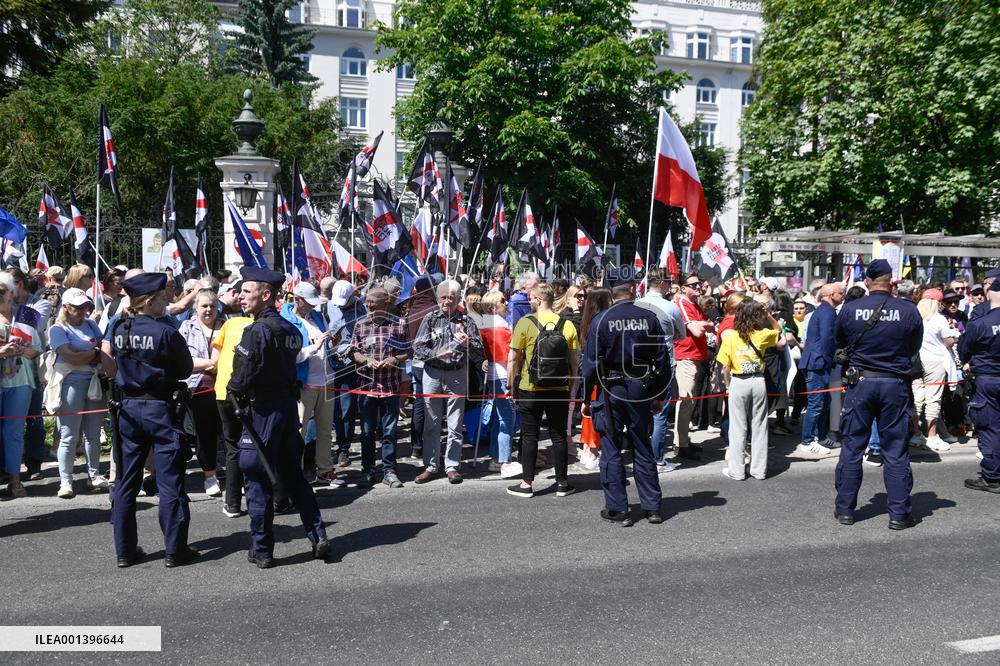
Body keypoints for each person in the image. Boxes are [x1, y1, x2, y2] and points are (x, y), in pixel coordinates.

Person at [227, 267, 329, 569]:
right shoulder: (290, 329)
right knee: (294, 477)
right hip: (286, 409)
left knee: (256, 478)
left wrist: (235, 391)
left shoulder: (257, 331)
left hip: (263, 412)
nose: (241, 296)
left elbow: (242, 375)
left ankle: (262, 549)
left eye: (247, 291)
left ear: (266, 295)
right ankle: (318, 535)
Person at [108, 272, 199, 568]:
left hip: (128, 409)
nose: (167, 301)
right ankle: (175, 549)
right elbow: (185, 369)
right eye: (162, 297)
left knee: (126, 482)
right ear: (149, 301)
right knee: (170, 482)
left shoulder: (120, 328)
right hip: (160, 409)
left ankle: (124, 550)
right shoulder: (165, 332)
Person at [833, 259, 923, 530]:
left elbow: (839, 344)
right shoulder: (908, 311)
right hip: (894, 384)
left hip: (860, 383)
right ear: (891, 281)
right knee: (895, 450)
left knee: (852, 447)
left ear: (869, 282)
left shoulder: (850, 309)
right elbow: (913, 347)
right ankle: (898, 514)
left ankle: (845, 509)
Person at [581, 275, 671, 525]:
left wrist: (586, 397)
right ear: (632, 289)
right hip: (640, 388)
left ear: (611, 292)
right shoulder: (649, 317)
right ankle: (652, 507)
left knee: (610, 447)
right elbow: (662, 360)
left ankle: (618, 508)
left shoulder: (601, 320)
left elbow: (590, 365)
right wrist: (659, 395)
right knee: (642, 445)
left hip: (611, 389)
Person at [506, 283, 579, 498]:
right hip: (559, 387)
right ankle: (563, 483)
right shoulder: (567, 325)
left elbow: (512, 359)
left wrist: (510, 385)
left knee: (530, 435)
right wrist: (571, 386)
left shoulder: (525, 323)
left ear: (538, 299)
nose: (529, 301)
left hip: (531, 387)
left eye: (531, 298)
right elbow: (574, 363)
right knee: (559, 435)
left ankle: (527, 484)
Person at [412, 279, 485, 484]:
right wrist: (437, 353)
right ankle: (431, 465)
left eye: (451, 298)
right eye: (443, 297)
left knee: (455, 423)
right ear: (437, 298)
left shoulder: (466, 320)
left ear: (458, 299)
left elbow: (480, 351)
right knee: (432, 422)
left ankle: (452, 466)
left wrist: (468, 343)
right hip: (433, 374)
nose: (447, 302)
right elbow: (418, 348)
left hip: (456, 374)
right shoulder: (430, 318)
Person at [46, 288, 110, 498]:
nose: (83, 310)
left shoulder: (91, 324)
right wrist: (93, 353)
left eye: (85, 306)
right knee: (69, 435)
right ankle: (66, 481)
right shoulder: (57, 329)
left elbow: (103, 350)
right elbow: (70, 357)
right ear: (65, 307)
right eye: (77, 307)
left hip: (93, 381)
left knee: (93, 433)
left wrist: (90, 354)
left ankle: (94, 475)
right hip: (70, 383)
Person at [280, 281, 341, 487]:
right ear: (296, 299)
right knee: (299, 431)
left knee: (325, 429)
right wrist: (314, 347)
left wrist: (334, 342)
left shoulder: (316, 316)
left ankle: (325, 470)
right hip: (304, 383)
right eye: (308, 303)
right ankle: (294, 473)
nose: (312, 306)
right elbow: (290, 356)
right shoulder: (286, 320)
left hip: (325, 380)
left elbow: (327, 348)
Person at [718, 299, 785, 480]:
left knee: (738, 427)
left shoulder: (731, 336)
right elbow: (781, 335)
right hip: (758, 381)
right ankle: (758, 470)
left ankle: (737, 471)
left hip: (738, 382)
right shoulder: (762, 334)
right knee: (759, 426)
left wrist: (727, 385)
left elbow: (725, 367)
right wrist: (769, 316)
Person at [350, 287, 410, 488]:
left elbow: (407, 351)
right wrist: (366, 360)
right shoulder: (361, 324)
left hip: (390, 387)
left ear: (386, 304)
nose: (368, 307)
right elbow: (354, 351)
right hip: (367, 387)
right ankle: (368, 469)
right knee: (366, 432)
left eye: (372, 305)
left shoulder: (399, 324)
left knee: (389, 431)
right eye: (367, 304)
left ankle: (389, 470)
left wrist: (394, 358)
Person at [635, 267, 687, 467]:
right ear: (663, 284)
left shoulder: (637, 304)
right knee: (659, 414)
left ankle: (643, 456)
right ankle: (656, 459)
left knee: (641, 411)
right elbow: (681, 335)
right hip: (663, 364)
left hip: (639, 365)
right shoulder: (671, 307)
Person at [210, 296, 256, 516]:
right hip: (251, 393)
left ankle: (233, 503)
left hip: (225, 391)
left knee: (232, 448)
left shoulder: (229, 324)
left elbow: (214, 361)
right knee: (256, 444)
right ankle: (267, 499)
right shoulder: (264, 327)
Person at [178, 288, 224, 497]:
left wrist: (206, 364)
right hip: (198, 388)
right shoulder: (186, 327)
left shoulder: (225, 326)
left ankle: (232, 474)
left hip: (223, 386)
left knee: (226, 433)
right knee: (204, 434)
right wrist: (211, 363)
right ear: (196, 308)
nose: (208, 310)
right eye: (204, 306)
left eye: (212, 306)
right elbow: (183, 360)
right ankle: (209, 475)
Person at [0, 274, 42, 499]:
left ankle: (15, 481)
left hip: (21, 381)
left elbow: (36, 349)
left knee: (14, 433)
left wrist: (19, 351)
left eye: (3, 289)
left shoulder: (25, 315)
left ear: (11, 292)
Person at [957, 280, 1000, 493]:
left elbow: (964, 349)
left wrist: (968, 361)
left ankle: (992, 476)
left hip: (988, 379)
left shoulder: (981, 323)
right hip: (989, 377)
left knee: (989, 428)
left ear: (990, 293)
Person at [797, 282, 844, 457]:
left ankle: (821, 436)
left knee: (823, 403)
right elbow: (827, 339)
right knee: (816, 404)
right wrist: (828, 359)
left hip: (818, 362)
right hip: (817, 363)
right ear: (831, 295)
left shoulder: (825, 311)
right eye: (841, 292)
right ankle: (807, 441)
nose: (843, 295)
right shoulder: (827, 312)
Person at [671, 274, 715, 460]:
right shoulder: (682, 303)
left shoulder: (694, 303)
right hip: (686, 357)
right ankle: (680, 445)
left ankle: (684, 441)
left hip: (695, 356)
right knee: (686, 400)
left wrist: (702, 324)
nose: (699, 287)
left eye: (700, 283)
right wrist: (703, 324)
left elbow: (710, 325)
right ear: (683, 288)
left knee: (690, 401)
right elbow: (697, 330)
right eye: (694, 284)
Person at [478, 291, 520, 478]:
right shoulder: (499, 327)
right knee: (506, 419)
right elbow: (508, 357)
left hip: (497, 376)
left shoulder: (486, 324)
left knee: (500, 418)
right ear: (494, 306)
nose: (507, 303)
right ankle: (505, 461)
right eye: (503, 301)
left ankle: (497, 459)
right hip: (503, 375)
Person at [910, 288, 957, 453]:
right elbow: (948, 342)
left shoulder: (914, 317)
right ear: (938, 302)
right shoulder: (939, 319)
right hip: (935, 362)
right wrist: (954, 336)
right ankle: (932, 436)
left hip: (916, 362)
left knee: (916, 399)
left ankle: (916, 434)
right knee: (933, 400)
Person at [577, 289, 614, 471]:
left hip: (591, 375)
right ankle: (591, 451)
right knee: (594, 414)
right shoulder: (602, 323)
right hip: (600, 377)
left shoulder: (588, 322)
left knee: (589, 414)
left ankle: (587, 449)